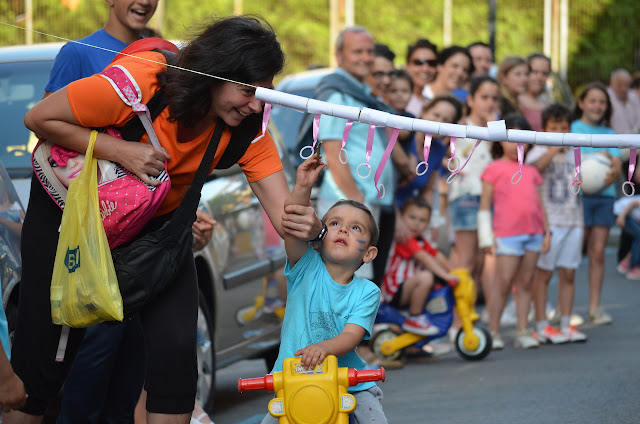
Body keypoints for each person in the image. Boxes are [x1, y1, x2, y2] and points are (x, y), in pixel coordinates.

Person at [13, 16, 321, 424]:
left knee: (177, 351)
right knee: (44, 360)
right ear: (214, 74)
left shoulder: (249, 128)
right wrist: (120, 151)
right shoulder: (142, 81)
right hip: (71, 221)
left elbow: (287, 222)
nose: (256, 105)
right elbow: (38, 119)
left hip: (159, 237)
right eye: (248, 91)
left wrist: (307, 209)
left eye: (264, 94)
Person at [40, 2, 214, 422]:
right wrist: (119, 158)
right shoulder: (78, 54)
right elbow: (53, 145)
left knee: (136, 367)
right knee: (92, 361)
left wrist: (191, 211)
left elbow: (179, 147)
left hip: (151, 243)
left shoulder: (169, 56)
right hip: (99, 238)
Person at [260, 155, 387, 424]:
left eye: (355, 228)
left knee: (373, 418)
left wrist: (325, 348)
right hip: (291, 379)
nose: (343, 229)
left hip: (349, 382)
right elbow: (293, 223)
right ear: (318, 237)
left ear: (369, 253)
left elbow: (352, 335)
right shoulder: (304, 265)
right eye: (334, 224)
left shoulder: (367, 292)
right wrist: (303, 187)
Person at [307, 26, 395, 286]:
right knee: (345, 277)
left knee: (357, 277)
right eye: (357, 51)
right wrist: (357, 204)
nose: (366, 58)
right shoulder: (337, 94)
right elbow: (333, 153)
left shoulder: (359, 92)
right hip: (347, 203)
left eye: (369, 51)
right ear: (339, 56)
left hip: (362, 201)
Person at [479, 114, 550, 350]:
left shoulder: (531, 171)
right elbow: (484, 206)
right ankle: (493, 331)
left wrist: (547, 232)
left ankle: (522, 330)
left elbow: (540, 205)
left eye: (522, 139)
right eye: (511, 138)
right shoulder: (493, 169)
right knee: (504, 282)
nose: (516, 145)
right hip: (507, 235)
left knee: (527, 283)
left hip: (534, 233)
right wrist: (486, 238)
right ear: (500, 141)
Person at [526, 103, 587, 343]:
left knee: (569, 273)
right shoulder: (536, 151)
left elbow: (587, 180)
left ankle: (565, 322)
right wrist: (552, 150)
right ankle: (541, 324)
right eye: (554, 128)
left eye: (564, 128)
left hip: (574, 220)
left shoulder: (577, 152)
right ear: (544, 129)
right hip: (549, 221)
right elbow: (532, 172)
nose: (561, 133)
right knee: (544, 273)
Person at [571, 82, 621, 326]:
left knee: (598, 252)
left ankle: (594, 307)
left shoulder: (611, 135)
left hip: (604, 197)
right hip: (577, 196)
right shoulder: (571, 129)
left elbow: (616, 161)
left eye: (602, 102)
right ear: (581, 103)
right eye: (592, 100)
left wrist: (615, 167)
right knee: (573, 252)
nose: (597, 106)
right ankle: (565, 308)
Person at [447, 76, 499, 298]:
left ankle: (479, 309)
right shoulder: (460, 127)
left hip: (492, 197)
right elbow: (448, 157)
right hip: (466, 195)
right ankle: (458, 320)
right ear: (471, 100)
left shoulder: (497, 129)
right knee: (465, 258)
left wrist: (495, 125)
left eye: (494, 98)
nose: (489, 103)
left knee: (485, 258)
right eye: (484, 97)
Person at [382, 196, 459, 336]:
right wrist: (446, 275)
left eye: (422, 220)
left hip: (408, 287)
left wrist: (455, 272)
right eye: (412, 217)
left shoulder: (421, 241)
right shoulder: (404, 238)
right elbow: (423, 257)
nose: (416, 224)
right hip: (395, 290)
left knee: (435, 285)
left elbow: (437, 255)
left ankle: (416, 342)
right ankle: (415, 318)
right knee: (426, 278)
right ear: (402, 218)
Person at [518, 53, 552, 132]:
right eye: (534, 72)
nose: (539, 77)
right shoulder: (515, 101)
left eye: (544, 73)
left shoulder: (548, 104)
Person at [404, 38, 438, 117]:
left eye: (431, 63)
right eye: (419, 62)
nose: (425, 69)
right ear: (407, 66)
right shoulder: (394, 98)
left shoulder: (431, 104)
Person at [614, 195, 640, 279]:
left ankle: (625, 262)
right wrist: (622, 217)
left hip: (629, 216)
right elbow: (632, 204)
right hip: (621, 214)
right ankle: (633, 267)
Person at [607, 69, 640, 134]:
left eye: (626, 85)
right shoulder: (606, 96)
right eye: (619, 85)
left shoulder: (633, 95)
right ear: (611, 83)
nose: (623, 88)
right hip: (612, 139)